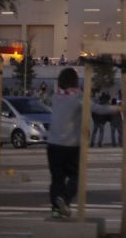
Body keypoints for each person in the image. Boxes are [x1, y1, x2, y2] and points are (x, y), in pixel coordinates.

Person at [47, 67, 83, 218]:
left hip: (53, 144)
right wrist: (117, 108)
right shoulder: (76, 99)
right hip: (70, 144)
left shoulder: (55, 98)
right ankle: (65, 199)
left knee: (57, 178)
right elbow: (95, 108)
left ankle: (56, 209)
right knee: (76, 175)